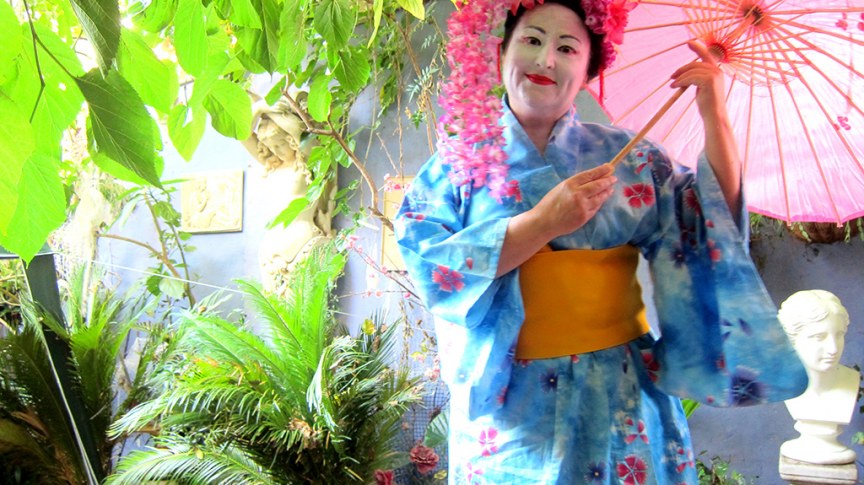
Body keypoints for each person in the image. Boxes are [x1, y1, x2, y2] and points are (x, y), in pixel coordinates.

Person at [395, 0, 809, 483]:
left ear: (588, 67)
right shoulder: (458, 163)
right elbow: (428, 264)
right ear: (501, 51)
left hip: (620, 393)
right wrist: (542, 224)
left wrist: (713, 110)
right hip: (510, 408)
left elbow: (707, 229)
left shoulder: (630, 157)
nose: (546, 59)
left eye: (567, 47)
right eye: (531, 40)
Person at [778, 290, 858, 465]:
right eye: (818, 337)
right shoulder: (784, 383)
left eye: (839, 335)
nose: (833, 348)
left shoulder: (850, 381)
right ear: (791, 340)